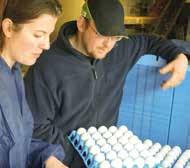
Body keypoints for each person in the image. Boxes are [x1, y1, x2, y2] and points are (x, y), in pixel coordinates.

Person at [24, 0, 190, 167]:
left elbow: (149, 41)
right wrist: (75, 154)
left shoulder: (119, 50)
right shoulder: (47, 66)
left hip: (106, 159)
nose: (108, 45)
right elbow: (36, 126)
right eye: (102, 34)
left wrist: (179, 55)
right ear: (82, 23)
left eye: (116, 37)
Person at [0, 0, 69, 167]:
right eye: (38, 35)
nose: (46, 45)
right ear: (9, 28)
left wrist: (46, 157)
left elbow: (16, 142)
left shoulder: (14, 73)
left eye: (48, 35)